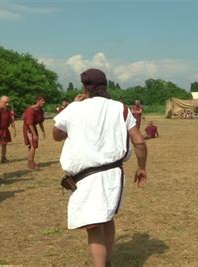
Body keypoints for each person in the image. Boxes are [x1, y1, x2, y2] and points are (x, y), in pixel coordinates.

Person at [53, 68, 147, 266]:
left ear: (84, 87)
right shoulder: (120, 108)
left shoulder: (74, 108)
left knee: (94, 226)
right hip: (113, 173)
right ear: (106, 85)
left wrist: (73, 108)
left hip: (86, 176)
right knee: (106, 218)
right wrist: (141, 167)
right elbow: (139, 141)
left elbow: (57, 135)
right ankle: (106, 260)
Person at [23, 95, 46, 170]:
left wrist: (43, 131)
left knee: (33, 145)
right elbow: (29, 123)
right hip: (28, 128)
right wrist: (34, 135)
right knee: (33, 145)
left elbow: (40, 122)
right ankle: (30, 163)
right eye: (42, 100)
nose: (43, 102)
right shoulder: (30, 110)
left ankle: (30, 161)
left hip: (33, 127)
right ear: (38, 100)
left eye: (44, 100)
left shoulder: (40, 110)